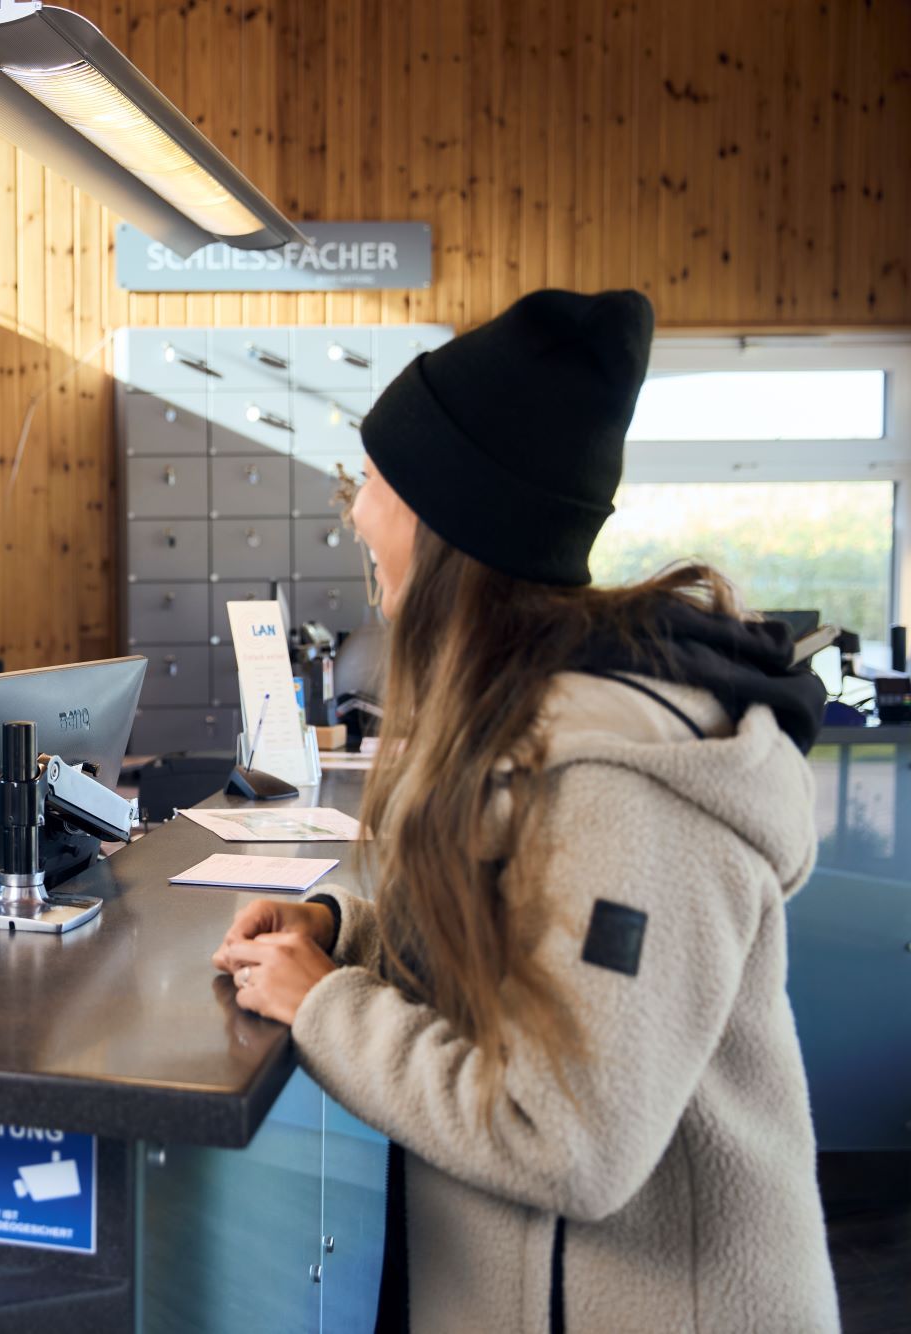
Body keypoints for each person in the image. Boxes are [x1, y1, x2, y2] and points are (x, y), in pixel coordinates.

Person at [212, 290, 839, 1331]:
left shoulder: (620, 786)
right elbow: (517, 968)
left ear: (451, 514)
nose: (355, 510)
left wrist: (325, 1002)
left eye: (374, 480)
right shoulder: (530, 724)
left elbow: (568, 1138)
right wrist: (349, 934)